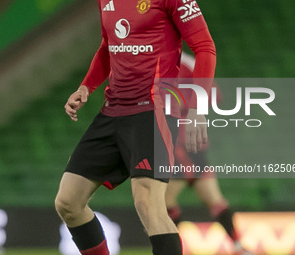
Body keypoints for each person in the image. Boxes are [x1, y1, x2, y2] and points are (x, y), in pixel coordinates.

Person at [54, 0, 216, 254]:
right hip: (113, 110)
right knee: (68, 202)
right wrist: (86, 86)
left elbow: (205, 47)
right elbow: (108, 47)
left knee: (148, 203)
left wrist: (196, 107)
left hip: (154, 110)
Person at [165, 52, 253, 255]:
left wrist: (181, 104)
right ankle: (238, 247)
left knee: (165, 201)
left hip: (184, 144)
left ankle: (171, 249)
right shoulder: (166, 61)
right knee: (213, 199)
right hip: (184, 145)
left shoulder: (187, 63)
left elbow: (214, 95)